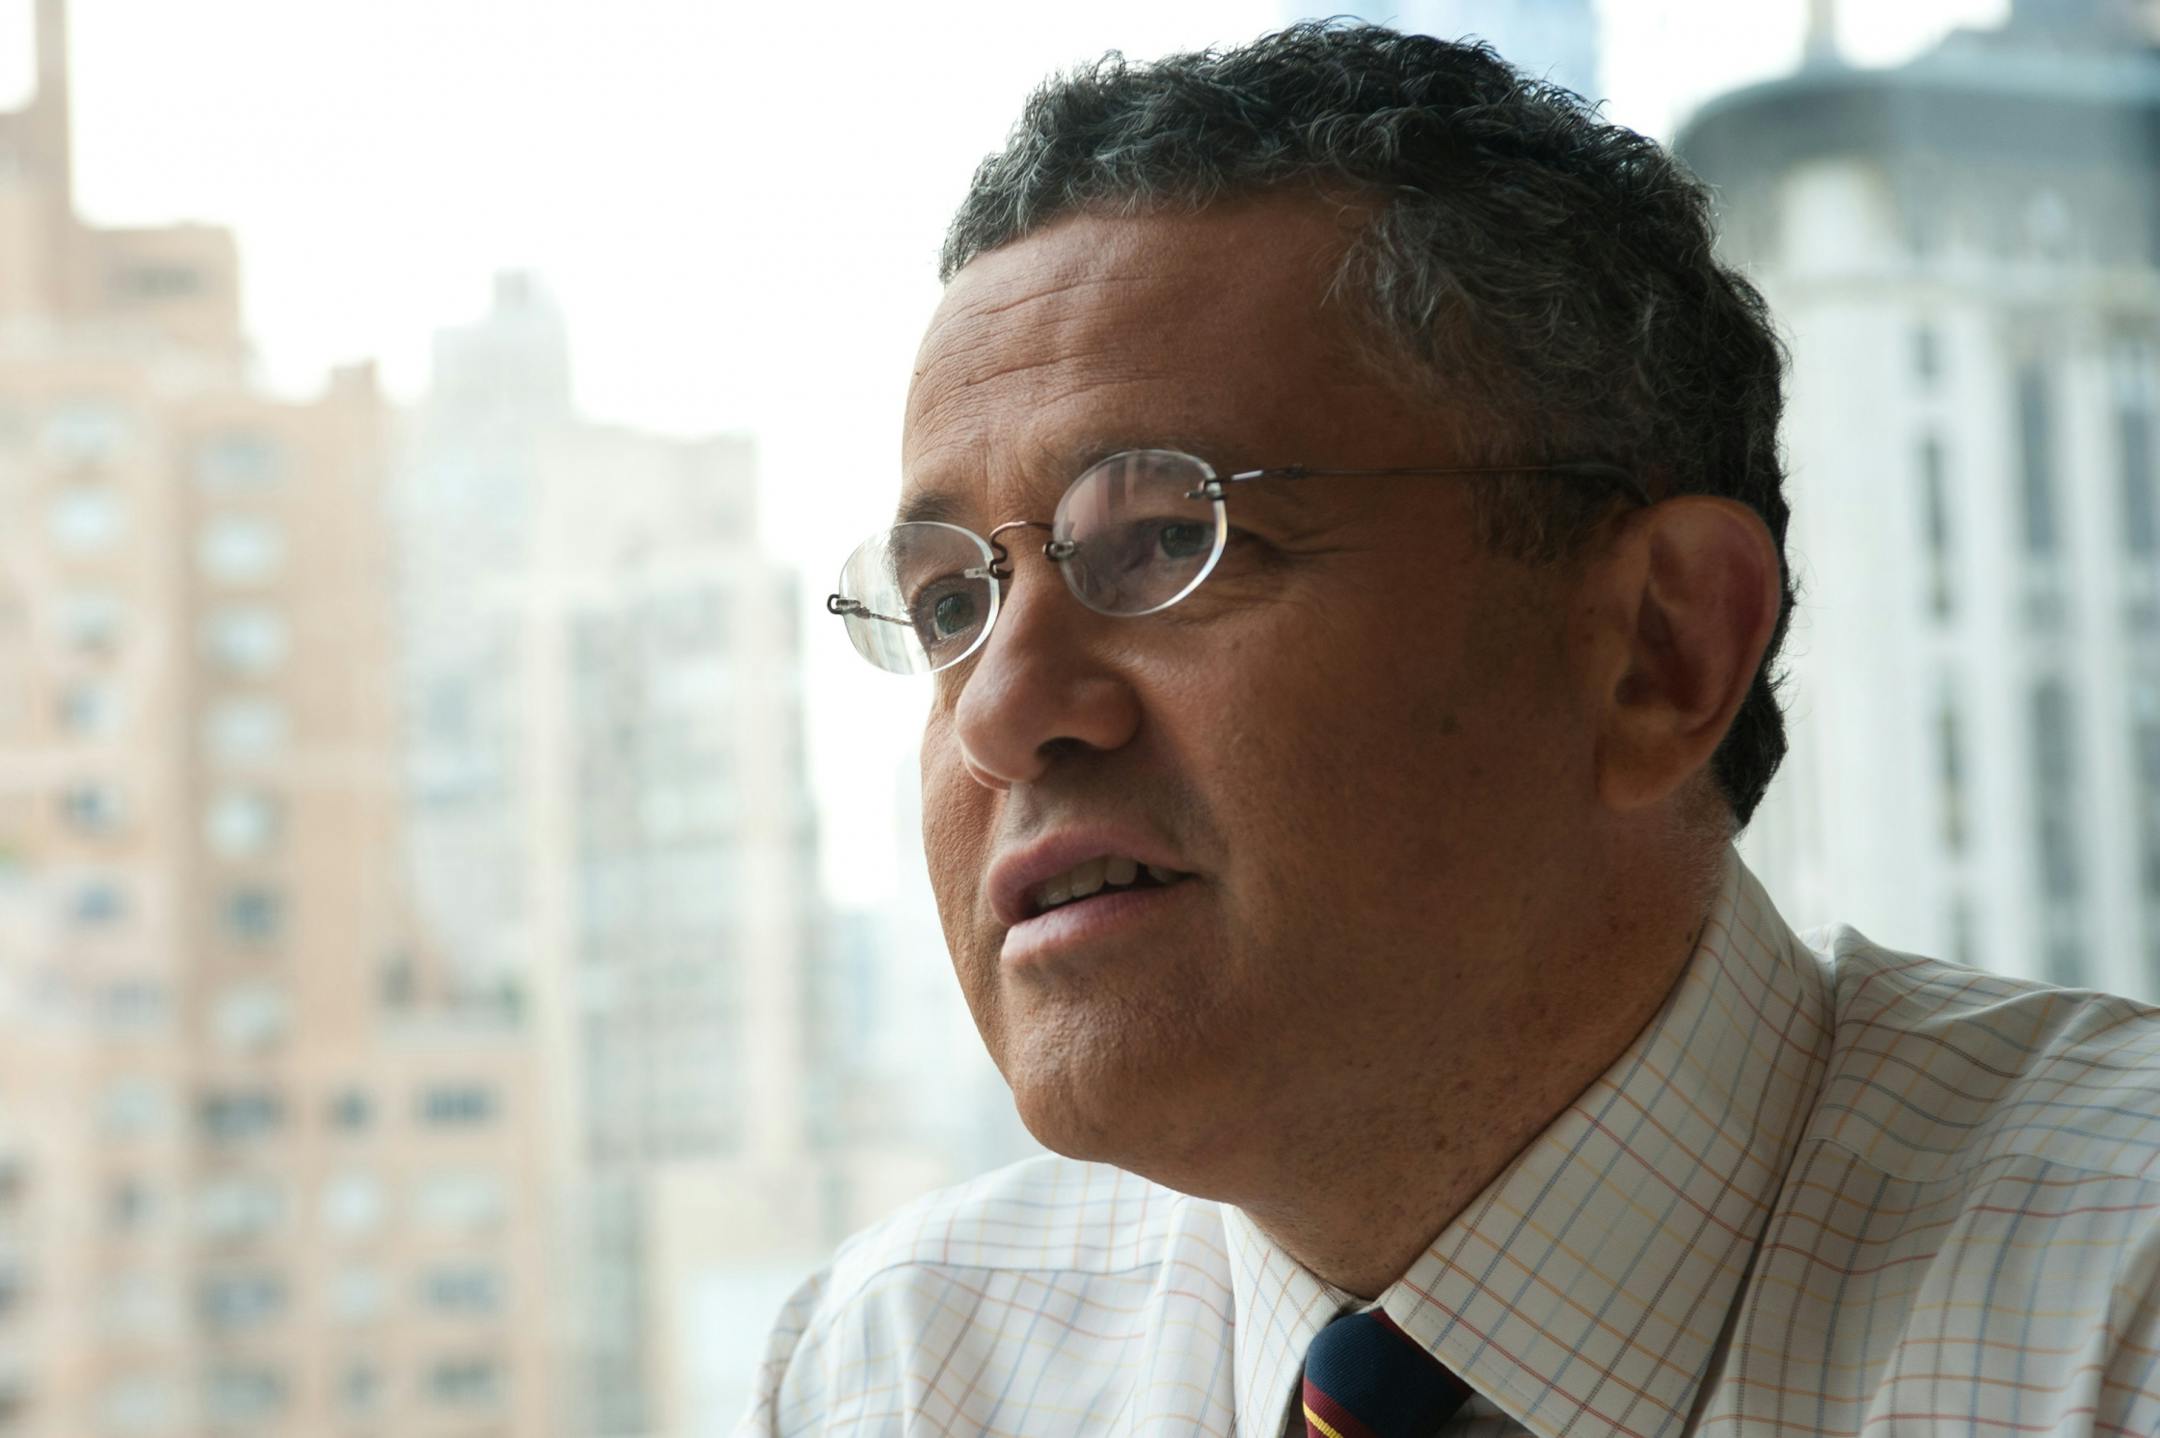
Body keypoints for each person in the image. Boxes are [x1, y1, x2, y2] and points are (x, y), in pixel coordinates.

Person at [743, 23, 2160, 1437]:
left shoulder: (2117, 1308)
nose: (1000, 713)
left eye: (1171, 538)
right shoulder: (902, 1365)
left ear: (1659, 649)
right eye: (945, 606)